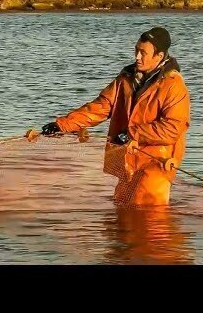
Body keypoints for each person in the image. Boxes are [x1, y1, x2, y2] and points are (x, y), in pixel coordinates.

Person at [41, 27, 190, 206]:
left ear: (159, 56)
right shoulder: (125, 79)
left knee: (150, 218)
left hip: (156, 163)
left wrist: (132, 133)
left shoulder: (174, 86)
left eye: (143, 53)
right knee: (122, 211)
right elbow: (99, 108)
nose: (137, 57)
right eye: (136, 50)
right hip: (126, 160)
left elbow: (172, 129)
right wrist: (62, 125)